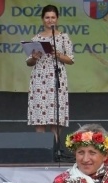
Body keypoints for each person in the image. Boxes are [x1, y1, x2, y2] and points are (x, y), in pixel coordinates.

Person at [26, 5, 74, 140]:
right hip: (39, 77)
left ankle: (55, 147)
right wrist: (34, 58)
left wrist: (58, 55)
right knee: (40, 116)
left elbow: (70, 59)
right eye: (47, 17)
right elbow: (28, 62)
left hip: (57, 77)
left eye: (53, 17)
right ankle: (41, 147)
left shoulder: (63, 37)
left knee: (56, 116)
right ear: (42, 19)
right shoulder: (36, 39)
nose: (50, 20)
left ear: (57, 19)